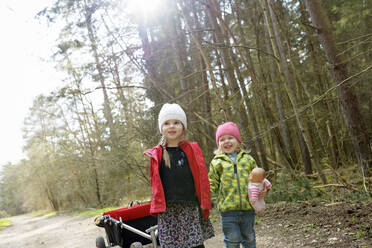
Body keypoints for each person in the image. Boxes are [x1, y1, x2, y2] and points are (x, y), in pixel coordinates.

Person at [144, 103, 214, 248]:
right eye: (167, 123)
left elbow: (201, 177)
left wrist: (204, 201)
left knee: (194, 244)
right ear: (161, 128)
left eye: (176, 122)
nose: (172, 126)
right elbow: (155, 183)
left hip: (189, 206)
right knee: (171, 245)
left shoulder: (191, 150)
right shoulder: (157, 154)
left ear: (183, 126)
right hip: (168, 210)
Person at [208, 122, 262, 248]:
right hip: (228, 210)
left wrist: (261, 190)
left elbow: (257, 178)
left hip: (248, 207)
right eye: (222, 139)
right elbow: (212, 182)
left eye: (230, 138)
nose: (226, 142)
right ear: (218, 144)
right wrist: (206, 196)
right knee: (232, 239)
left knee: (249, 237)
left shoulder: (248, 159)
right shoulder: (217, 162)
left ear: (238, 140)